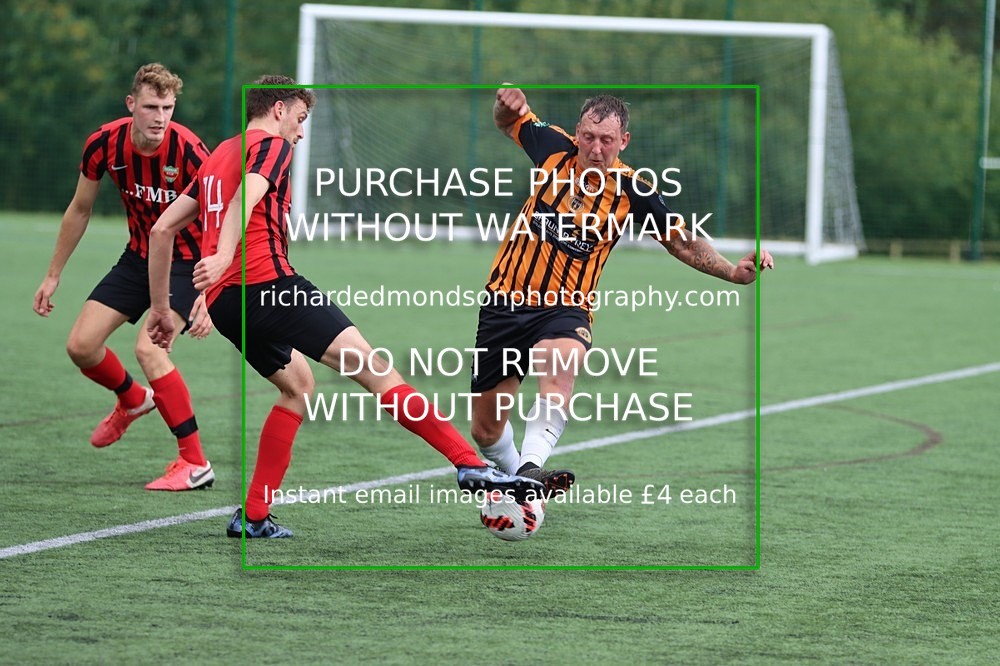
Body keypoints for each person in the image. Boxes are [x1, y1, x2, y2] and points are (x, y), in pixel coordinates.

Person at [147, 75, 543, 538]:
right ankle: (471, 464)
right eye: (300, 117)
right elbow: (246, 198)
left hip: (227, 305)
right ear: (278, 109)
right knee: (378, 372)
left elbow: (161, 230)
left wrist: (160, 309)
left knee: (297, 387)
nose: (300, 129)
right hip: (272, 289)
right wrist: (222, 255)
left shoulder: (218, 155)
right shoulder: (271, 146)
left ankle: (254, 517)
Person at [470, 86, 775, 494]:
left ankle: (530, 468)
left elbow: (681, 242)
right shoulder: (551, 149)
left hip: (565, 308)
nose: (597, 149)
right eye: (590, 138)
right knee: (486, 430)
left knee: (559, 367)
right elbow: (508, 121)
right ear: (578, 133)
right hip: (504, 302)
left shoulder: (633, 191)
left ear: (623, 141)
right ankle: (518, 482)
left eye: (607, 141)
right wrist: (505, 104)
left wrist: (733, 273)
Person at [32, 63, 215, 491]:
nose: (160, 117)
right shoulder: (104, 143)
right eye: (151, 106)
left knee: (148, 349)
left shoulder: (189, 151)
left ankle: (195, 462)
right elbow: (80, 208)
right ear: (131, 104)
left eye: (168, 108)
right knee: (81, 345)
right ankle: (133, 400)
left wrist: (208, 292)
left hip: (188, 263)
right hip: (138, 258)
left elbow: (223, 219)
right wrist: (53, 274)